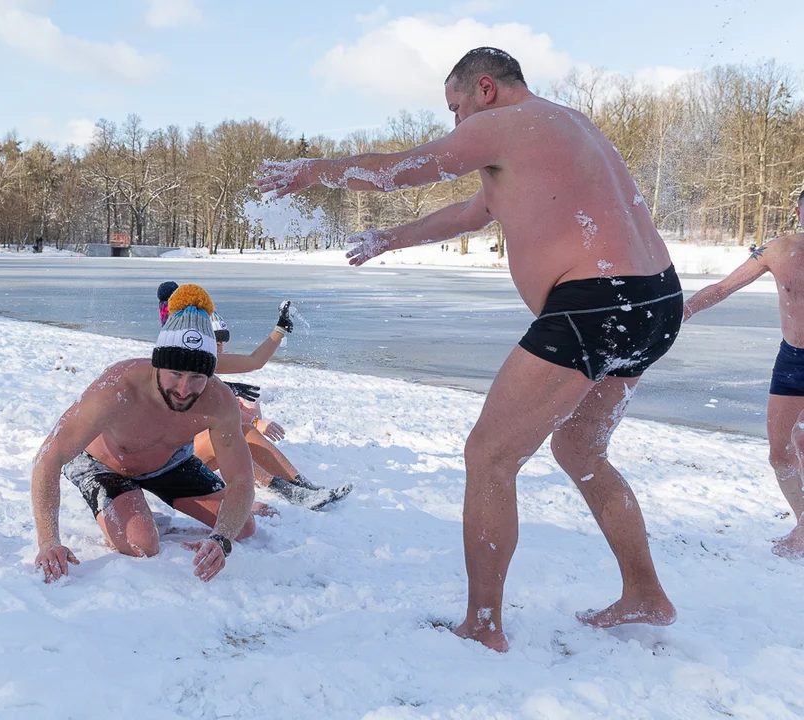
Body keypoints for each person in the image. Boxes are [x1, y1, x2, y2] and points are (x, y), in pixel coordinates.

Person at [258, 47, 681, 652]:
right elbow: (472, 211)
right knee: (580, 447)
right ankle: (645, 595)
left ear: (485, 89)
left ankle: (482, 626)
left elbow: (400, 168)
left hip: (597, 304)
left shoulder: (502, 125)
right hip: (653, 302)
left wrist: (310, 170)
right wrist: (391, 239)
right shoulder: (564, 129)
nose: (458, 125)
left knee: (489, 456)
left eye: (457, 108)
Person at [31, 284, 256, 584]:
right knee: (143, 543)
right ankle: (124, 503)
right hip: (104, 466)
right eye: (176, 374)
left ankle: (147, 500)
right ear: (158, 363)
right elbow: (50, 456)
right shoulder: (118, 388)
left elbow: (241, 480)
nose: (184, 389)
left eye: (197, 377)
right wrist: (48, 541)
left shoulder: (219, 401)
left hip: (169, 462)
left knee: (243, 527)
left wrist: (221, 540)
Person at [684, 190, 804, 559]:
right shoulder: (777, 250)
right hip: (793, 361)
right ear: (798, 211)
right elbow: (723, 287)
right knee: (783, 451)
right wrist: (680, 312)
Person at [198, 309, 354, 510]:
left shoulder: (209, 364)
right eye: (215, 344)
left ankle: (304, 485)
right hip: (175, 464)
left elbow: (255, 361)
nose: (220, 349)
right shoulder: (186, 369)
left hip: (196, 458)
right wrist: (230, 393)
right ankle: (289, 492)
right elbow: (201, 411)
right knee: (225, 437)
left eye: (222, 344)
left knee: (246, 432)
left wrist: (279, 330)